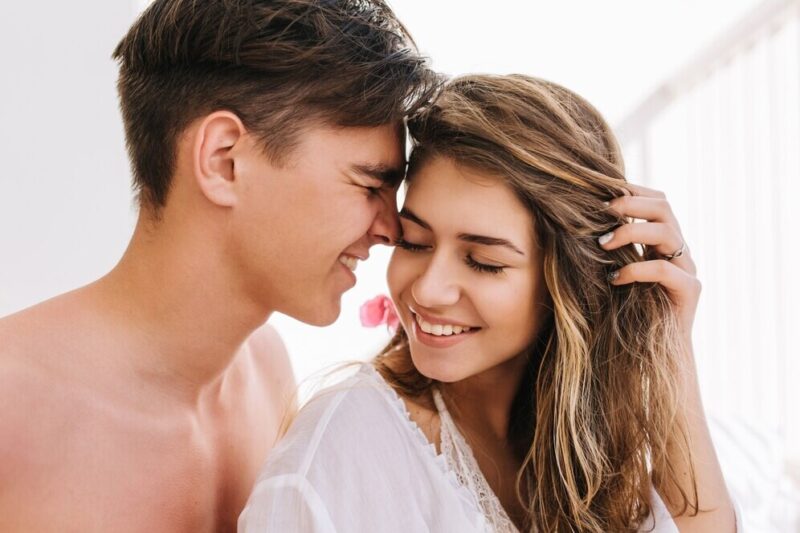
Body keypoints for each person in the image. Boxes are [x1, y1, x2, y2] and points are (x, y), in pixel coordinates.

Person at [0, 1, 438, 531]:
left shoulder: (267, 374)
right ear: (223, 160)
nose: (391, 230)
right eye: (370, 185)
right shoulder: (11, 409)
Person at [239, 74, 739, 532]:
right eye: (413, 242)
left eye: (482, 261)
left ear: (566, 277)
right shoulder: (343, 455)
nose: (429, 290)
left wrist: (668, 340)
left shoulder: (592, 434)